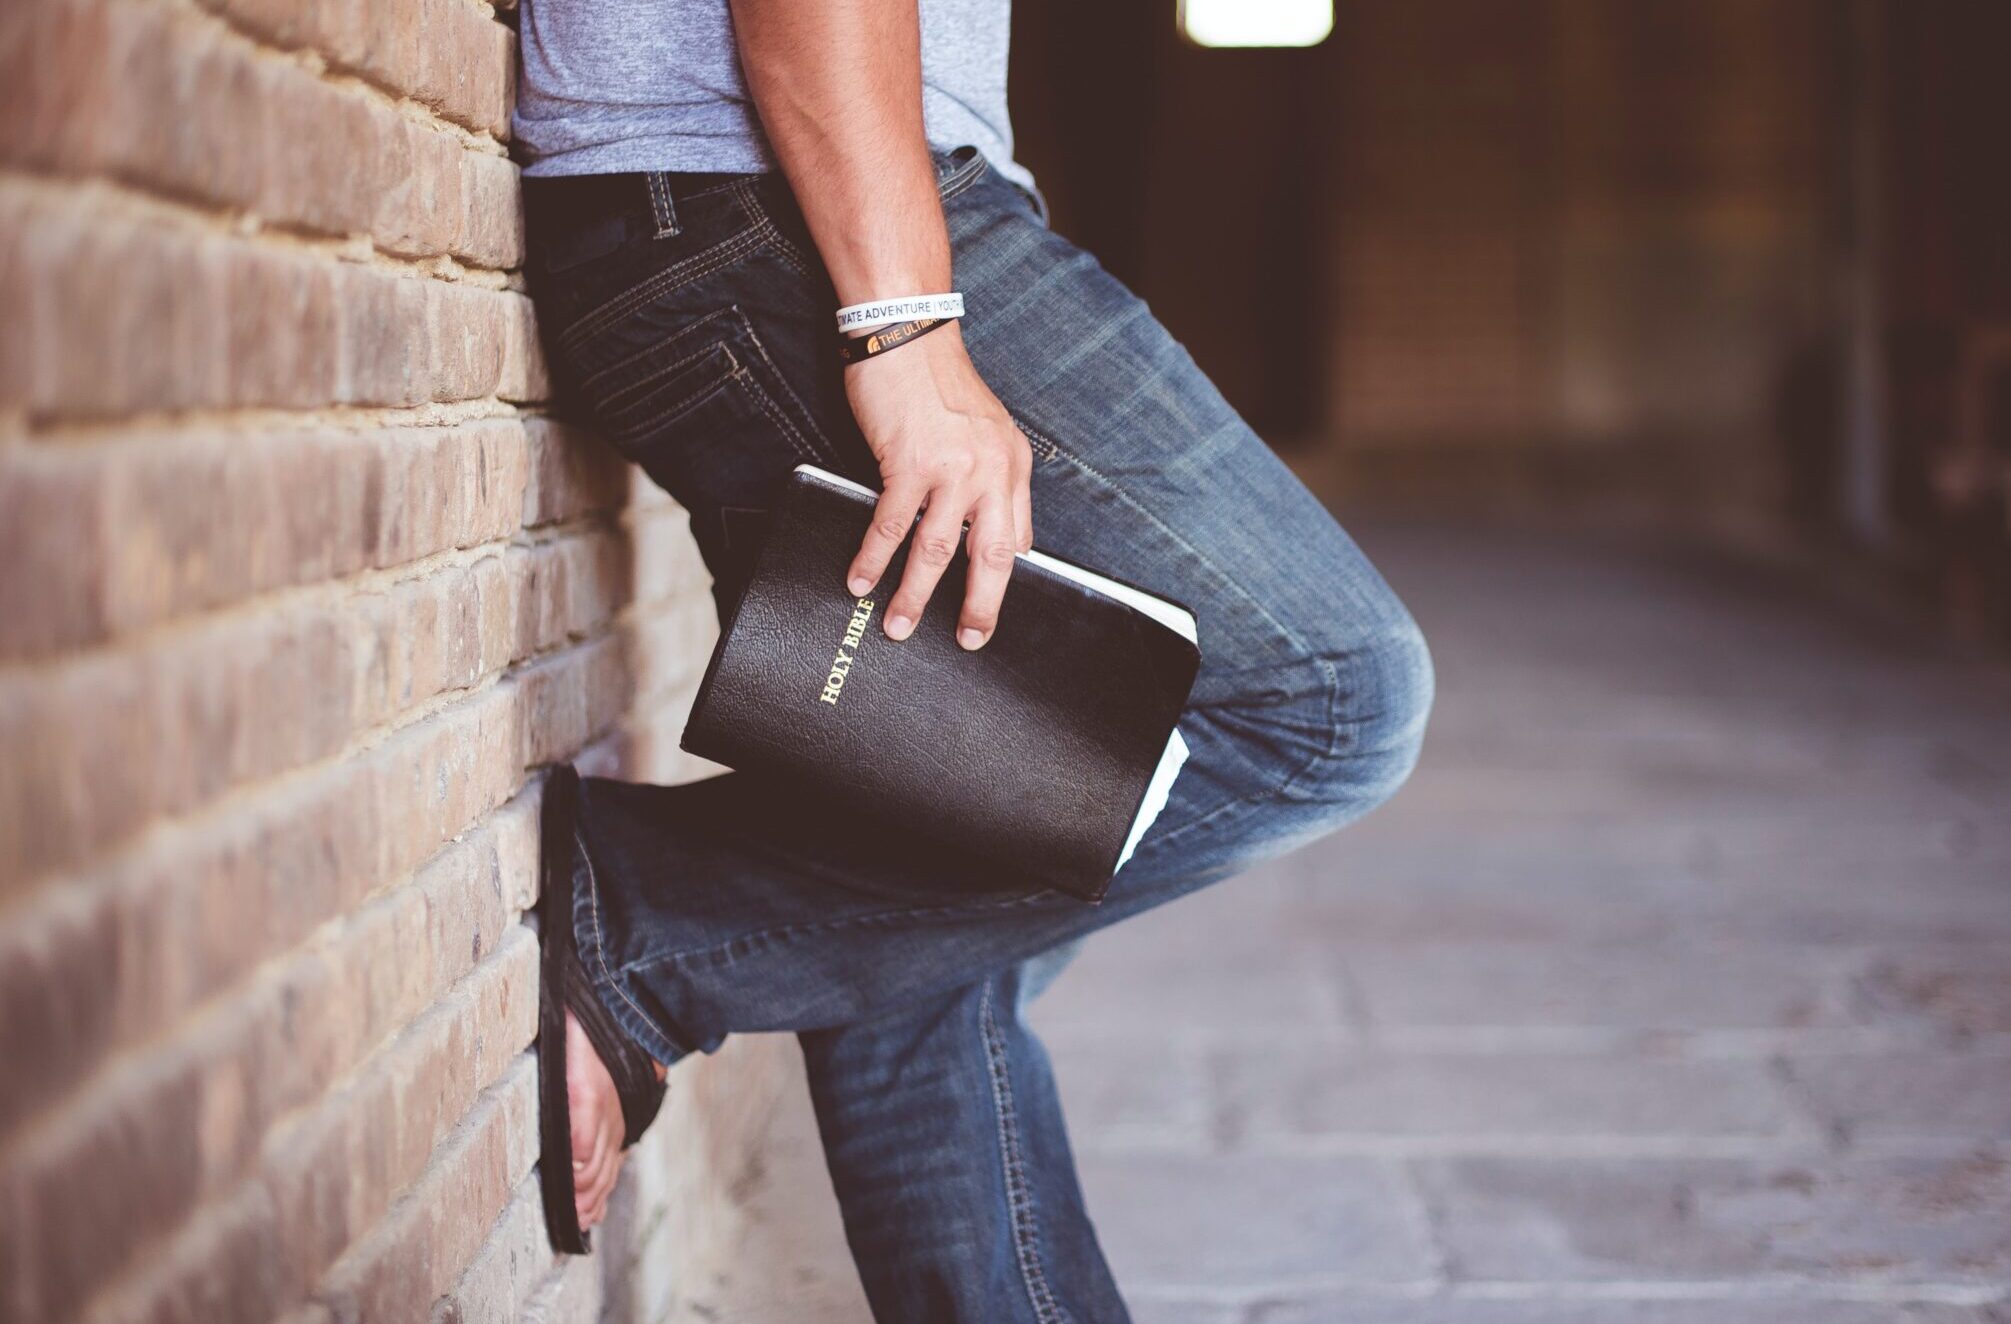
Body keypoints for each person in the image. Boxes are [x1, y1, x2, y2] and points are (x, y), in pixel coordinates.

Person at [513, 1, 1434, 1318]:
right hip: (765, 203)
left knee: (924, 905)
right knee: (1327, 697)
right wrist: (905, 327)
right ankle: (658, 919)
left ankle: (677, 924)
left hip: (746, 201)